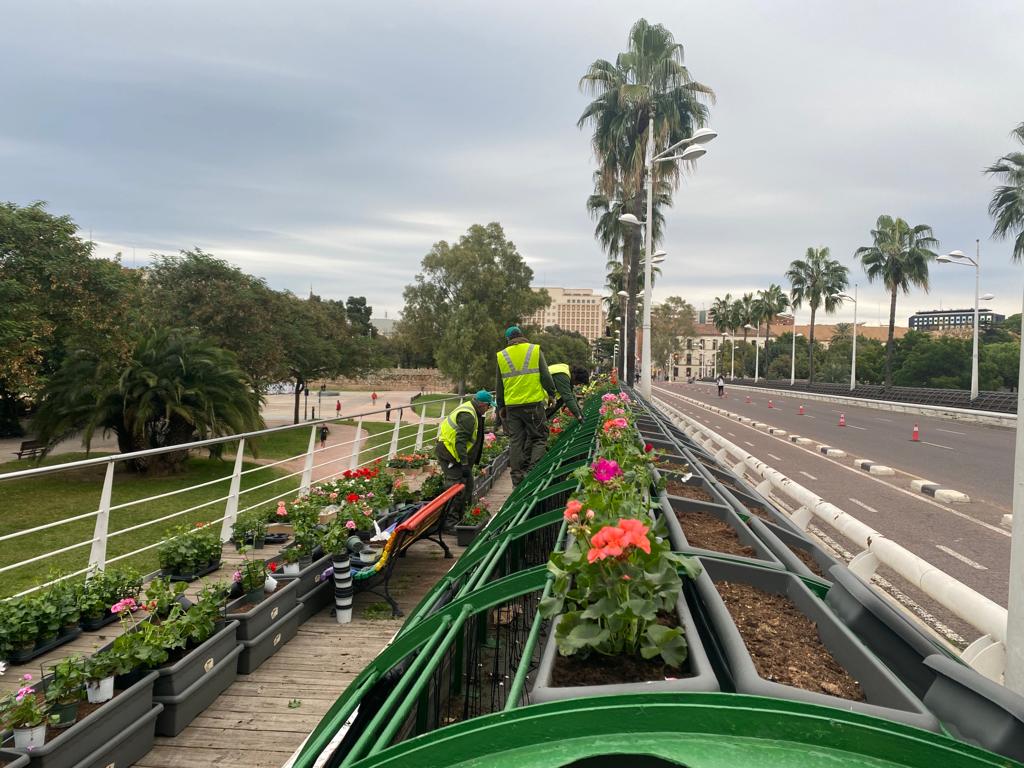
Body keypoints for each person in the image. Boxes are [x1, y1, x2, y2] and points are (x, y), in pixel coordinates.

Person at [496, 326, 556, 486]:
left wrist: (500, 407)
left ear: (508, 340)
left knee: (516, 440)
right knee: (539, 437)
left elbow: (499, 385)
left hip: (512, 406)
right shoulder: (534, 350)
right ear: (522, 336)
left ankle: (516, 479)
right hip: (533, 404)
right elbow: (545, 375)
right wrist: (551, 394)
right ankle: (532, 474)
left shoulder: (502, 356)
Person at [435, 390, 492, 526]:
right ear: (482, 405)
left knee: (468, 486)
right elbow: (460, 441)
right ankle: (449, 523)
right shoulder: (468, 416)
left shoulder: (473, 410)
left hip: (456, 455)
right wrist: (465, 464)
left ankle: (462, 518)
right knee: (455, 489)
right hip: (450, 454)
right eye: (489, 406)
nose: (489, 409)